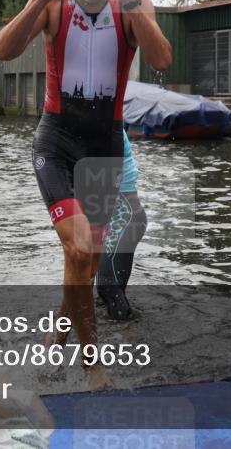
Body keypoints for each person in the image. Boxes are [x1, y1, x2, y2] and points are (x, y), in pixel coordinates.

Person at [0, 0, 171, 390]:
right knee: (78, 248)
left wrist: (131, 0)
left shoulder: (132, 3)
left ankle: (57, 331)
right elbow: (3, 50)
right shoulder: (55, 1)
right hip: (57, 142)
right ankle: (93, 365)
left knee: (85, 262)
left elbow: (163, 59)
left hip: (105, 145)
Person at [96, 129, 148, 321]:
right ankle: (121, 337)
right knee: (108, 297)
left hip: (124, 220)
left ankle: (130, 339)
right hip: (121, 221)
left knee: (108, 288)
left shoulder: (108, 129)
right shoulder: (101, 123)